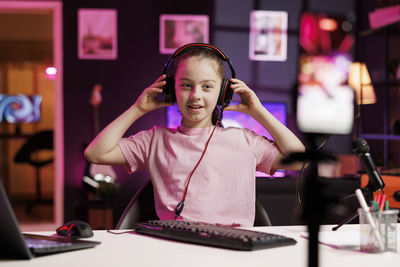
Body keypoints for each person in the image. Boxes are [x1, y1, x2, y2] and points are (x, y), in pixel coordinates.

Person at [84, 43, 305, 227]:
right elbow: (95, 154)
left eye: (207, 87)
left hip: (233, 250)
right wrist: (137, 109)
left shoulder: (245, 141)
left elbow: (299, 160)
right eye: (186, 85)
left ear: (223, 92)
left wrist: (259, 112)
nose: (195, 95)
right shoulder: (154, 141)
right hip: (177, 245)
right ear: (171, 89)